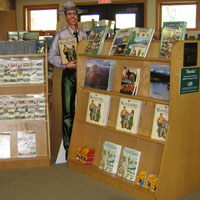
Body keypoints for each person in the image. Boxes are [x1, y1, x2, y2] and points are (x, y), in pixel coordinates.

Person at [48, 1, 87, 159]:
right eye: (69, 14)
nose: (72, 17)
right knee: (68, 111)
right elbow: (51, 56)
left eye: (75, 14)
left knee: (83, 109)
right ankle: (68, 146)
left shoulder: (84, 35)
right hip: (69, 75)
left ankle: (81, 142)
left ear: (77, 16)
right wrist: (65, 64)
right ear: (65, 17)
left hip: (83, 75)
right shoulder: (60, 34)